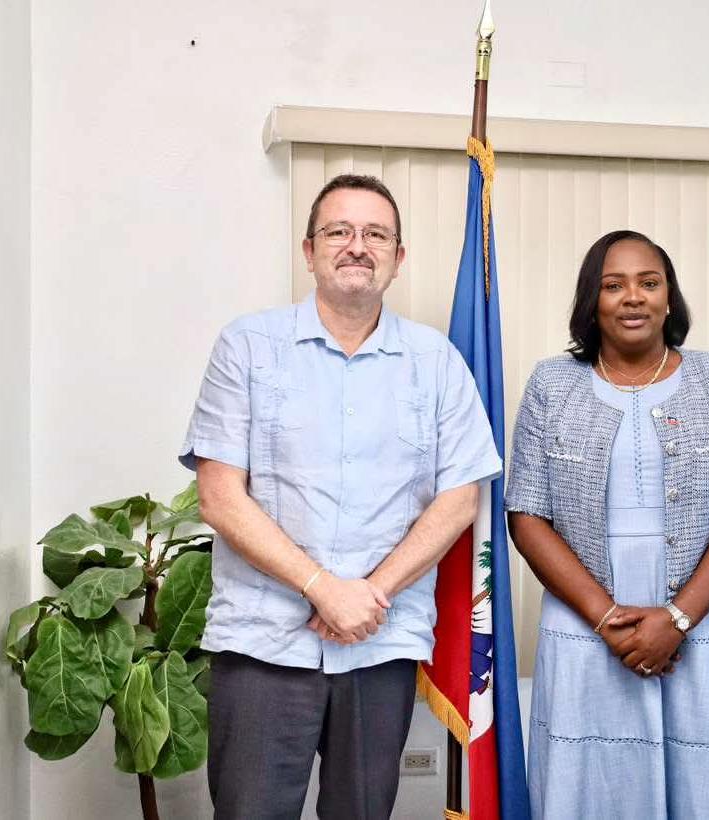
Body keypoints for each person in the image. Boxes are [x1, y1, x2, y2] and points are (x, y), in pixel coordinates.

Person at [179, 174, 502, 820]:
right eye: (339, 231)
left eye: (375, 234)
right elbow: (219, 497)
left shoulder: (436, 361)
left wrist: (367, 594)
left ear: (398, 257)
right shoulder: (248, 346)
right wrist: (321, 587)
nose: (357, 245)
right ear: (309, 251)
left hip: (380, 641)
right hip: (264, 642)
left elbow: (459, 499)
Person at [505, 229, 709, 819]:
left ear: (669, 297)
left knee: (704, 782)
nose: (633, 296)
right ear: (592, 301)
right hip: (585, 612)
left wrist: (677, 618)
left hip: (704, 609)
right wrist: (606, 618)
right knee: (591, 786)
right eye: (613, 285)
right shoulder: (551, 384)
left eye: (649, 283)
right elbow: (526, 515)